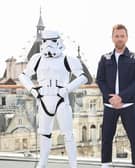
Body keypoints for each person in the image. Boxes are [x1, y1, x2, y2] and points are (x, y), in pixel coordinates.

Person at [19, 30, 90, 168]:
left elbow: (83, 77)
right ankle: (42, 163)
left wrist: (67, 89)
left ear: (58, 41)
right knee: (44, 133)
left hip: (61, 100)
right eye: (45, 41)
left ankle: (73, 164)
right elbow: (23, 76)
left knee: (68, 134)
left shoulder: (67, 59)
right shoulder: (37, 59)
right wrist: (32, 89)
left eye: (51, 40)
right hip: (43, 99)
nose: (48, 44)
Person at [96, 24, 135, 168]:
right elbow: (100, 80)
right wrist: (110, 97)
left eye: (122, 36)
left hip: (128, 104)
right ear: (112, 38)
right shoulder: (105, 58)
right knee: (106, 137)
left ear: (126, 38)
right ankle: (105, 164)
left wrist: (121, 97)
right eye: (117, 36)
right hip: (110, 104)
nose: (119, 39)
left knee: (134, 137)